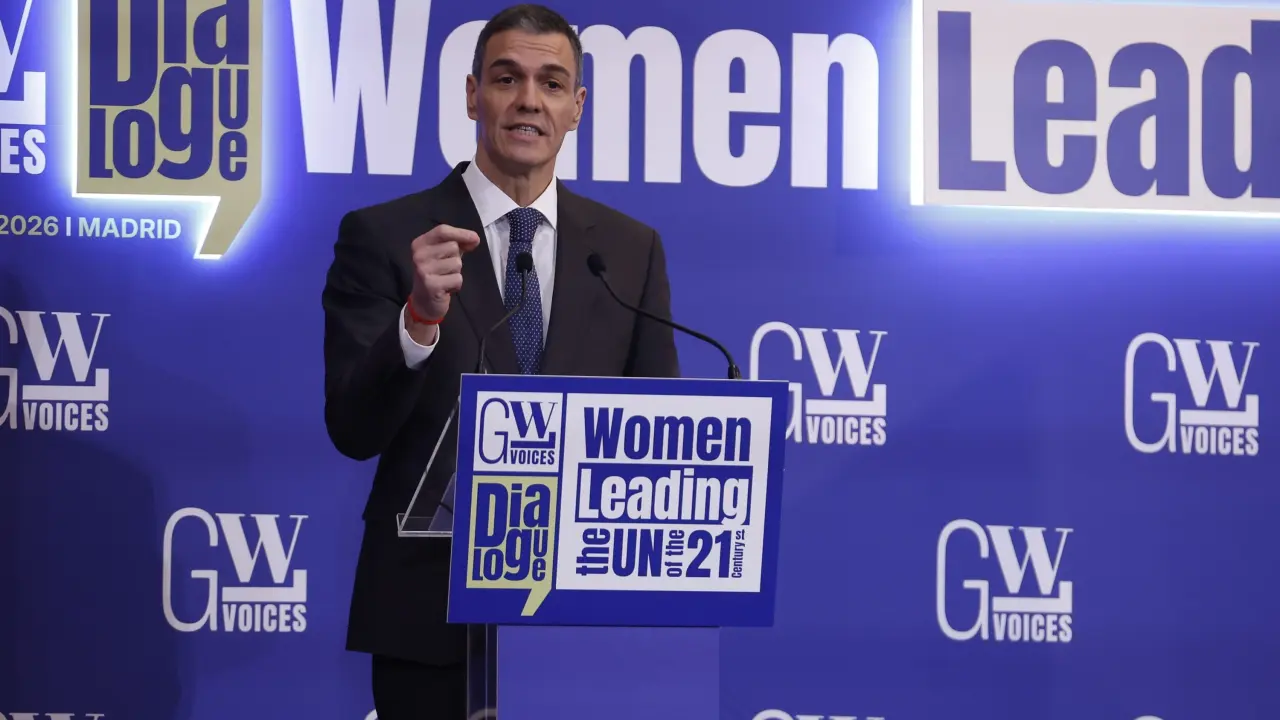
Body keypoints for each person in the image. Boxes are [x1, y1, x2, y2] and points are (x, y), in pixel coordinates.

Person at [320, 4, 681, 718]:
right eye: (507, 78)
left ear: (577, 108)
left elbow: (653, 435)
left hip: (583, 626)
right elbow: (352, 429)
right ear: (471, 94)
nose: (528, 101)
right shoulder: (387, 237)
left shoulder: (629, 250)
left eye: (552, 83)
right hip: (430, 619)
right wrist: (417, 321)